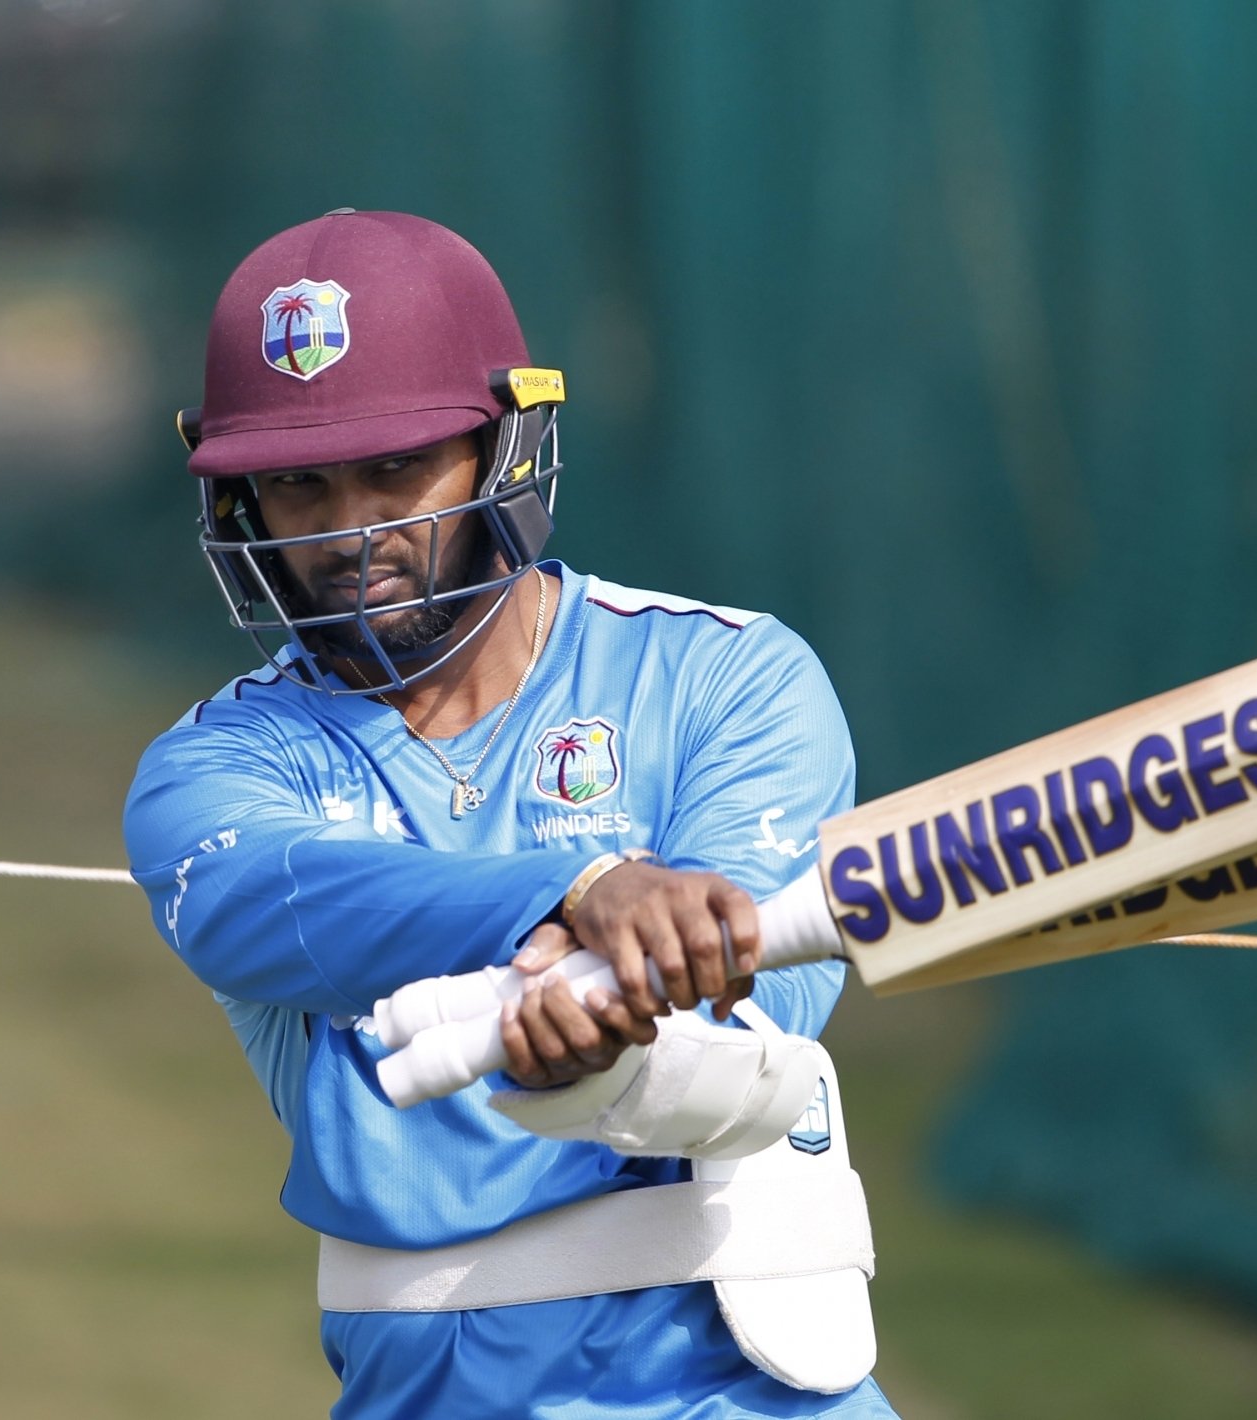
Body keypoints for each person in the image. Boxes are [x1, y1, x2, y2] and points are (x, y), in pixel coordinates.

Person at [123, 209, 897, 1418]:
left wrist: (609, 1057)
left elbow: (764, 1027)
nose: (350, 532)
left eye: (395, 468)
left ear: (504, 448)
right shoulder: (213, 769)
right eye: (297, 484)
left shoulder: (730, 679)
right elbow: (251, 901)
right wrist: (571, 891)